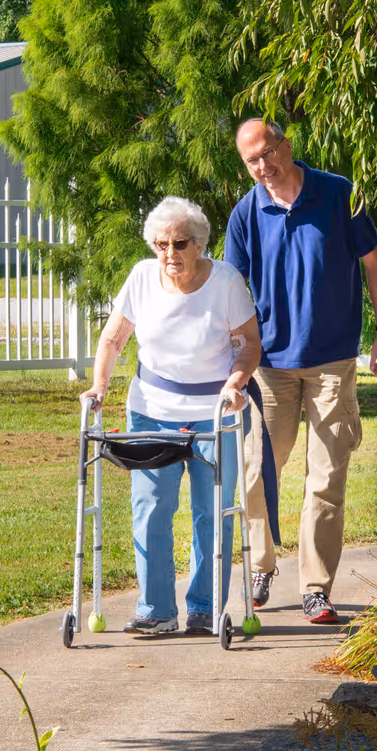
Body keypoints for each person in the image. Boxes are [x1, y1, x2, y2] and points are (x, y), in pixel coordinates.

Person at [225, 119, 377, 626]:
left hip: (332, 365)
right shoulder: (246, 213)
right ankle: (260, 565)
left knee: (325, 479)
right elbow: (232, 293)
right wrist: (231, 364)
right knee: (257, 472)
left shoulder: (339, 194)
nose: (263, 166)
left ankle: (315, 589)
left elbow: (375, 263)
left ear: (287, 145)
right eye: (252, 161)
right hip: (269, 367)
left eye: (268, 153)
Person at [82, 196, 261, 636]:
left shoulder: (225, 282)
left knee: (211, 512)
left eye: (179, 243)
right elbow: (113, 339)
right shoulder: (142, 278)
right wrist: (100, 387)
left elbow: (250, 343)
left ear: (199, 244)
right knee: (151, 507)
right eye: (160, 244)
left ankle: (205, 608)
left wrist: (234, 385)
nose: (169, 254)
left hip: (213, 412)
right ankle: (156, 610)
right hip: (151, 409)